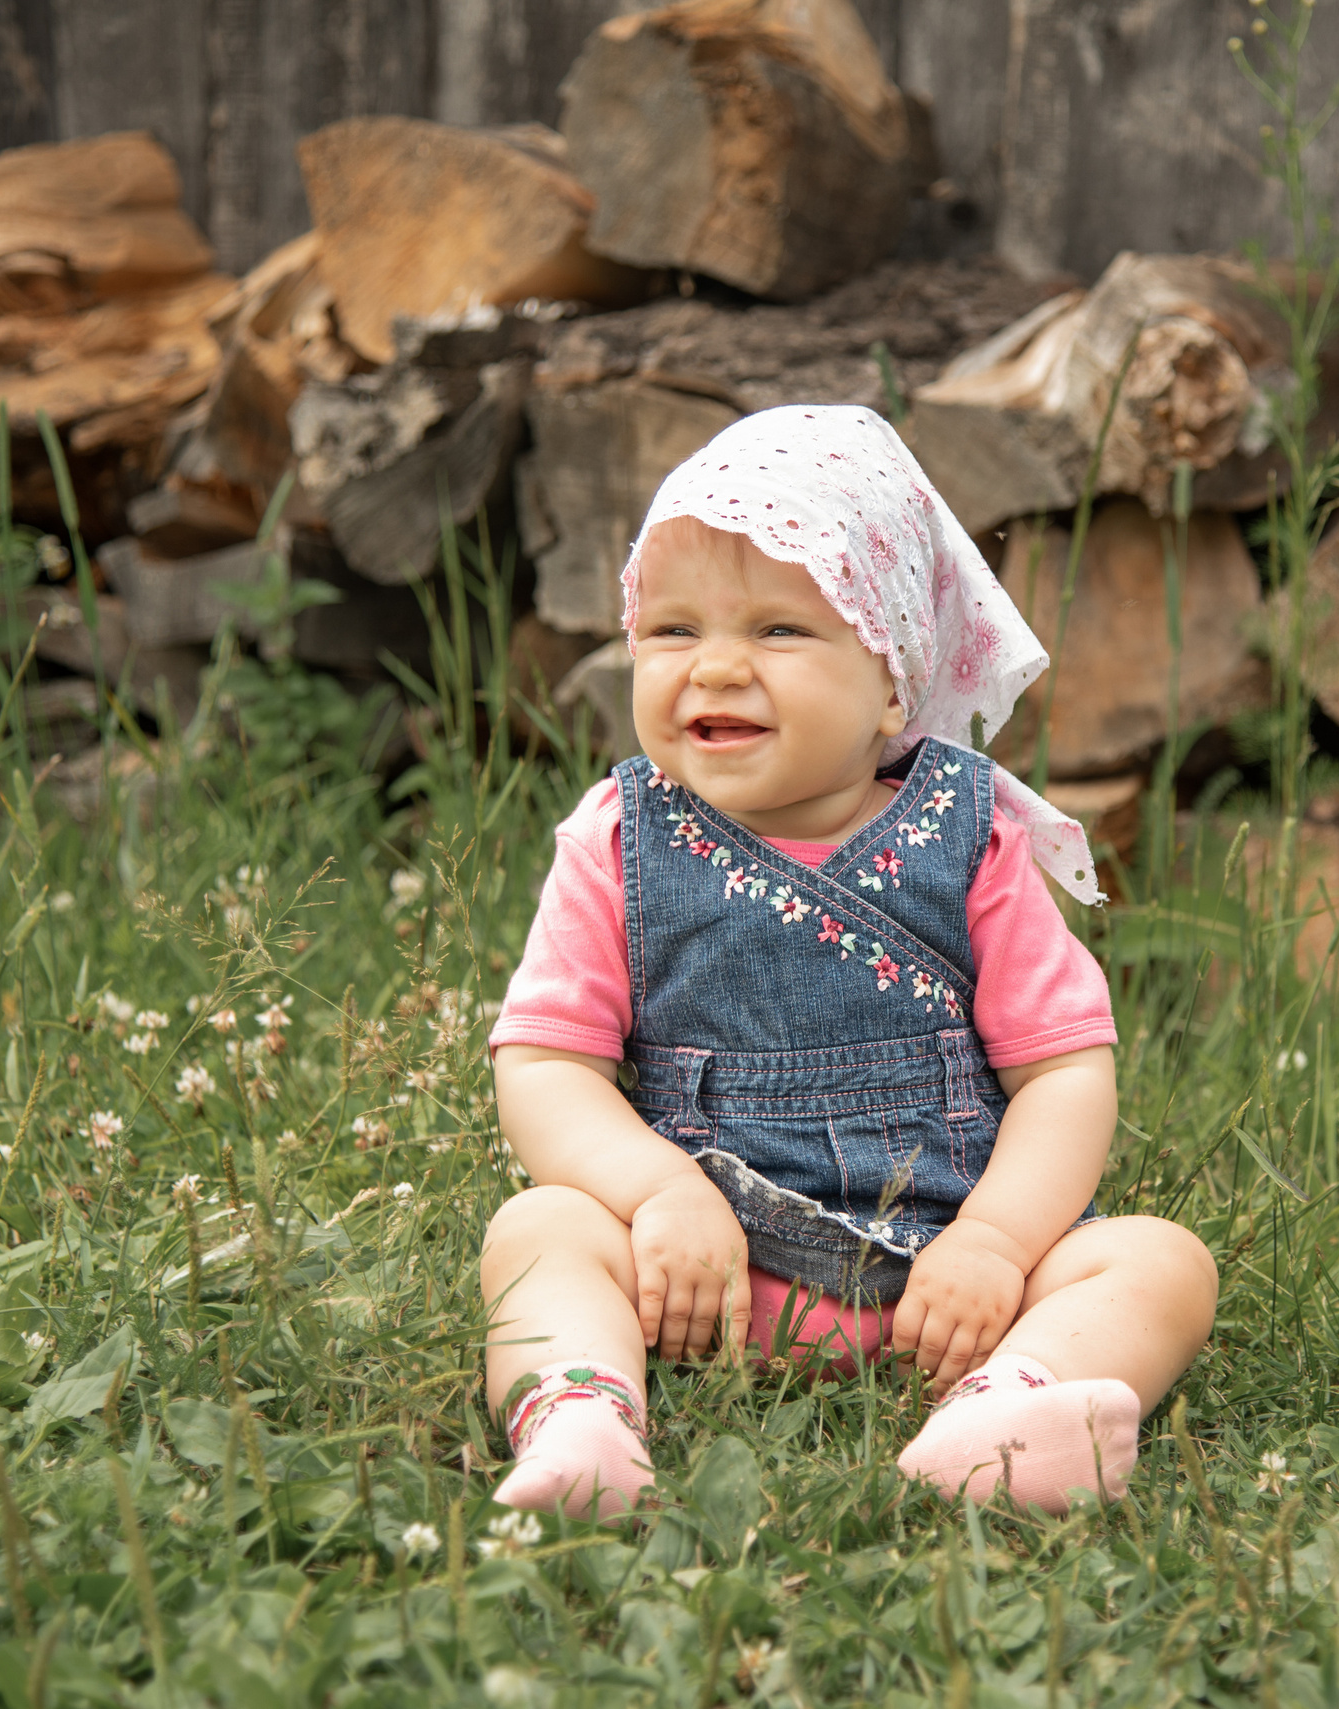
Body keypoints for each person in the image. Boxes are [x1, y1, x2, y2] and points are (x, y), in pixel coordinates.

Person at [479, 406, 1217, 1518]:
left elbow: (1064, 1071)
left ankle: (1007, 1405)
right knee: (540, 1229)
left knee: (1160, 1262)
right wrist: (658, 1192)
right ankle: (583, 1414)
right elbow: (546, 1063)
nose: (713, 666)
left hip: (952, 1284)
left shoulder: (971, 835)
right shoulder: (618, 841)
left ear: (892, 682)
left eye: (779, 630)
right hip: (709, 1276)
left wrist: (996, 1242)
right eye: (672, 630)